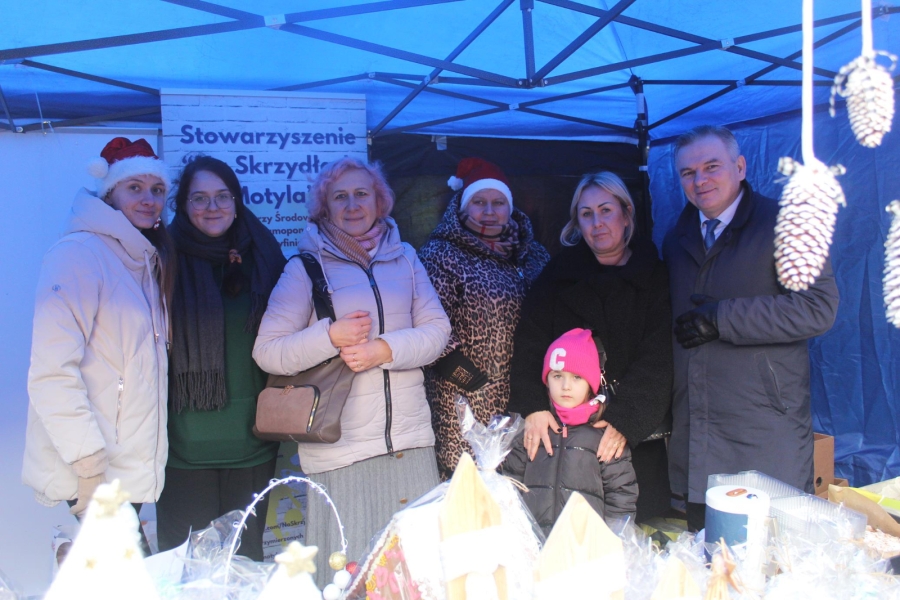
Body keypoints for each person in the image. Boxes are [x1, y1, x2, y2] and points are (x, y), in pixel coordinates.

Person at [253, 157, 451, 580]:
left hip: (410, 446)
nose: (352, 204)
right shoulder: (304, 269)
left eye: (362, 193)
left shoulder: (407, 260)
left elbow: (437, 332)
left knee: (413, 576)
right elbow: (267, 352)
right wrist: (329, 336)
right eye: (339, 196)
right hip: (341, 453)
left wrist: (383, 349)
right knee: (348, 576)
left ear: (380, 201)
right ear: (323, 207)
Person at [663, 125, 839, 531]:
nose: (700, 180)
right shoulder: (676, 239)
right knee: (711, 568)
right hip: (698, 434)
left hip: (764, 430)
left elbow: (818, 307)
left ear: (740, 167)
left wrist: (723, 318)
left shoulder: (788, 224)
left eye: (711, 167)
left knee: (770, 561)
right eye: (688, 173)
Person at [23, 137, 174, 538]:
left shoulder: (143, 260)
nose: (149, 199)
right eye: (135, 188)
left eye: (157, 190)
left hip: (129, 469)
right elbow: (51, 373)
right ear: (110, 193)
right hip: (96, 470)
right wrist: (88, 467)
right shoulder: (79, 254)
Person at [508, 171, 673, 523]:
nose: (597, 223)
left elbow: (658, 357)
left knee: (631, 536)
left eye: (606, 210)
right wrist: (534, 407)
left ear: (626, 214)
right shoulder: (558, 275)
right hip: (565, 442)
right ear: (577, 222)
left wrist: (627, 419)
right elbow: (529, 342)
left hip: (630, 435)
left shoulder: (654, 276)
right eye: (586, 214)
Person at [155, 156, 287, 560]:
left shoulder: (265, 254)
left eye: (221, 196)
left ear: (237, 199)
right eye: (199, 198)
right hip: (180, 447)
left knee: (243, 564)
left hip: (251, 442)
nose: (212, 207)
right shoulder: (158, 258)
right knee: (185, 569)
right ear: (181, 204)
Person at [419, 157, 550, 480]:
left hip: (529, 396)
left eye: (498, 203)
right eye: (479, 202)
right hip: (465, 405)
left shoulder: (535, 255)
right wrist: (474, 383)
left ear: (510, 207)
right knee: (470, 494)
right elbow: (427, 323)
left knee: (524, 489)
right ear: (462, 206)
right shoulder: (441, 255)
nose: (489, 211)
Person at [504, 328, 638, 535]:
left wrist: (614, 540)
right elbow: (509, 484)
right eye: (557, 376)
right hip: (534, 546)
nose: (566, 386)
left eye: (577, 377)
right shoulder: (532, 430)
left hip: (587, 549)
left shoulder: (605, 437)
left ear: (591, 383)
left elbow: (621, 496)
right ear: (546, 381)